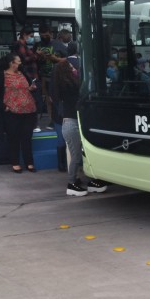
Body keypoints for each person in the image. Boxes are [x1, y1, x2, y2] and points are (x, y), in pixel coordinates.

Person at [52, 58, 107, 197]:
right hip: (72, 123)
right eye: (71, 67)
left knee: (84, 155)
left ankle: (90, 181)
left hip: (77, 123)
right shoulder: (68, 86)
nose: (74, 68)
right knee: (76, 156)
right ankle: (71, 184)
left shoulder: (68, 85)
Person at [0, 52, 38, 173]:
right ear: (11, 63)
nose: (20, 63)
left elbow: (27, 87)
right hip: (12, 111)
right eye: (18, 61)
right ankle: (15, 162)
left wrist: (32, 88)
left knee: (27, 137)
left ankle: (29, 162)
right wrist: (3, 106)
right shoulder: (1, 75)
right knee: (14, 137)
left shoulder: (23, 73)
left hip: (28, 110)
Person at [35, 25, 67, 129]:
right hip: (45, 77)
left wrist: (55, 59)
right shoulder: (37, 45)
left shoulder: (58, 44)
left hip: (58, 77)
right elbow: (34, 60)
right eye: (42, 35)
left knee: (57, 99)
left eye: (46, 35)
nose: (44, 37)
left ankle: (61, 119)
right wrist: (39, 56)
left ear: (50, 34)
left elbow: (67, 59)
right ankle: (52, 120)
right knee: (48, 100)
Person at [14, 28, 43, 130]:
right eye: (30, 36)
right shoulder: (20, 45)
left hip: (30, 76)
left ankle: (31, 124)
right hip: (30, 77)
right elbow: (24, 59)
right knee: (34, 101)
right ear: (24, 34)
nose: (31, 38)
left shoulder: (23, 45)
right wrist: (36, 55)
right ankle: (34, 124)